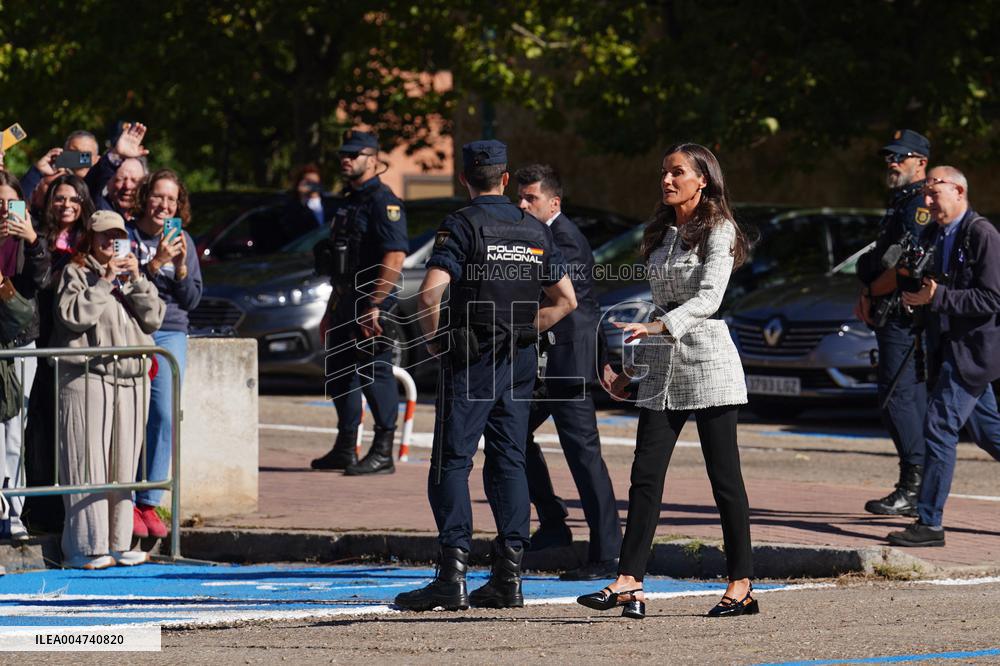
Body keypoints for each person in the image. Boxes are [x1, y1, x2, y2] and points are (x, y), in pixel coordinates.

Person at [394, 140, 576, 612]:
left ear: (465, 180)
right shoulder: (534, 227)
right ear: (506, 178)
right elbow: (566, 301)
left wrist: (436, 342)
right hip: (517, 361)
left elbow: (429, 296)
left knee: (452, 462)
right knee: (509, 461)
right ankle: (509, 578)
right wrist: (520, 327)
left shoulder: (461, 224)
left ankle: (451, 577)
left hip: (471, 358)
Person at [578, 143, 756, 620]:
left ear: (704, 180)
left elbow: (708, 298)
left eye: (678, 172)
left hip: (710, 365)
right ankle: (629, 582)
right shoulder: (660, 233)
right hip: (661, 367)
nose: (668, 180)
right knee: (644, 477)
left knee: (725, 481)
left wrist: (659, 327)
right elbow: (655, 308)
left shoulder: (720, 230)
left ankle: (741, 584)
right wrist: (633, 373)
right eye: (664, 172)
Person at [513, 164, 623, 580]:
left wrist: (600, 361)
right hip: (551, 362)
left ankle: (609, 553)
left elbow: (574, 303)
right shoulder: (541, 233)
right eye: (519, 198)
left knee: (583, 454)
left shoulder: (564, 238)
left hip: (568, 362)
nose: (523, 205)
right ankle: (555, 523)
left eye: (531, 199)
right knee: (512, 431)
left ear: (553, 203)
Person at [886, 166, 1000, 547]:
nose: (929, 202)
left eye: (936, 194)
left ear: (960, 191)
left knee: (938, 428)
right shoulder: (936, 233)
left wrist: (938, 297)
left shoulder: (981, 233)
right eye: (927, 196)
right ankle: (929, 519)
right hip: (948, 349)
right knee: (990, 434)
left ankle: (929, 523)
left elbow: (992, 298)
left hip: (974, 353)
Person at [49, 210, 165, 568]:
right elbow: (72, 316)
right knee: (88, 465)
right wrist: (103, 283)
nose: (108, 243)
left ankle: (117, 542)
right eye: (102, 236)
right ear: (90, 238)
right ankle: (85, 547)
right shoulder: (75, 272)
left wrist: (136, 281)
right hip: (88, 376)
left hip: (130, 379)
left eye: (115, 237)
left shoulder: (130, 276)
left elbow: (154, 317)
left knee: (123, 467)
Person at [310, 130, 408, 476]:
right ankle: (345, 448)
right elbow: (342, 264)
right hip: (344, 299)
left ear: (374, 159)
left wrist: (375, 304)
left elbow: (394, 255)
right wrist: (330, 311)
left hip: (371, 302)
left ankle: (383, 452)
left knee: (373, 373)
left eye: (354, 154)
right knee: (338, 374)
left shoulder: (384, 202)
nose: (345, 159)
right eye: (343, 154)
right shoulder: (350, 201)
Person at [854, 129, 934, 518]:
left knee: (898, 399)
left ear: (921, 162)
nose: (892, 162)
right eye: (889, 156)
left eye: (900, 157)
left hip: (905, 314)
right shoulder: (902, 200)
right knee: (904, 399)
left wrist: (871, 292)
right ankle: (917, 484)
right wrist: (867, 290)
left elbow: (907, 267)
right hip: (894, 311)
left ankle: (913, 487)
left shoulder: (919, 204)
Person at [127, 169, 203, 539]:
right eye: (158, 197)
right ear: (146, 198)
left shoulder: (183, 239)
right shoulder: (126, 234)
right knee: (127, 413)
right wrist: (155, 263)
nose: (164, 205)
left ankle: (149, 499)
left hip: (170, 331)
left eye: (171, 200)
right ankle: (123, 499)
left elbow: (191, 300)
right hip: (130, 327)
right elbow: (122, 285)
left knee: (163, 413)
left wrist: (183, 267)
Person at [22, 175, 96, 534]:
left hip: (75, 346)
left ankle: (74, 512)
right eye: (59, 198)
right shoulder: (36, 236)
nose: (66, 205)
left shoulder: (91, 242)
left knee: (72, 432)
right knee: (39, 428)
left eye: (74, 199)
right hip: (41, 339)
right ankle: (41, 511)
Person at [0, 171, 50, 542]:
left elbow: (40, 280)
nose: (4, 210)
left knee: (15, 430)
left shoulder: (32, 241)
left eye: (10, 203)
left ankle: (13, 512)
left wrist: (31, 238)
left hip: (19, 344)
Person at [85, 123, 150, 219]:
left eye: (134, 180)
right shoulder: (98, 208)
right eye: (121, 179)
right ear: (108, 182)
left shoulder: (150, 217)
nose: (127, 186)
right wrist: (116, 155)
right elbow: (91, 183)